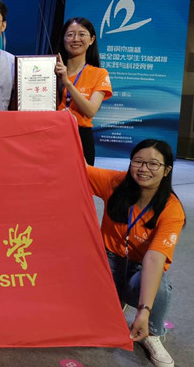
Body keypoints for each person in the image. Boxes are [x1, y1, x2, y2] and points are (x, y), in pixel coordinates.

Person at [87, 139, 184, 367]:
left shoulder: (171, 209)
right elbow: (77, 168)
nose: (143, 169)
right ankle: (115, 298)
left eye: (153, 164)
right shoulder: (115, 182)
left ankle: (152, 333)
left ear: (167, 170)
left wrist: (144, 311)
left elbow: (155, 259)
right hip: (109, 260)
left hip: (141, 268)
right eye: (138, 161)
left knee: (159, 286)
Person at [55, 17, 112, 165]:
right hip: (52, 132)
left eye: (82, 34)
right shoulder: (51, 70)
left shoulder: (99, 74)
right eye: (70, 35)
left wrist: (67, 83)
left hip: (81, 135)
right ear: (63, 39)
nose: (75, 39)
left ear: (91, 40)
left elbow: (90, 111)